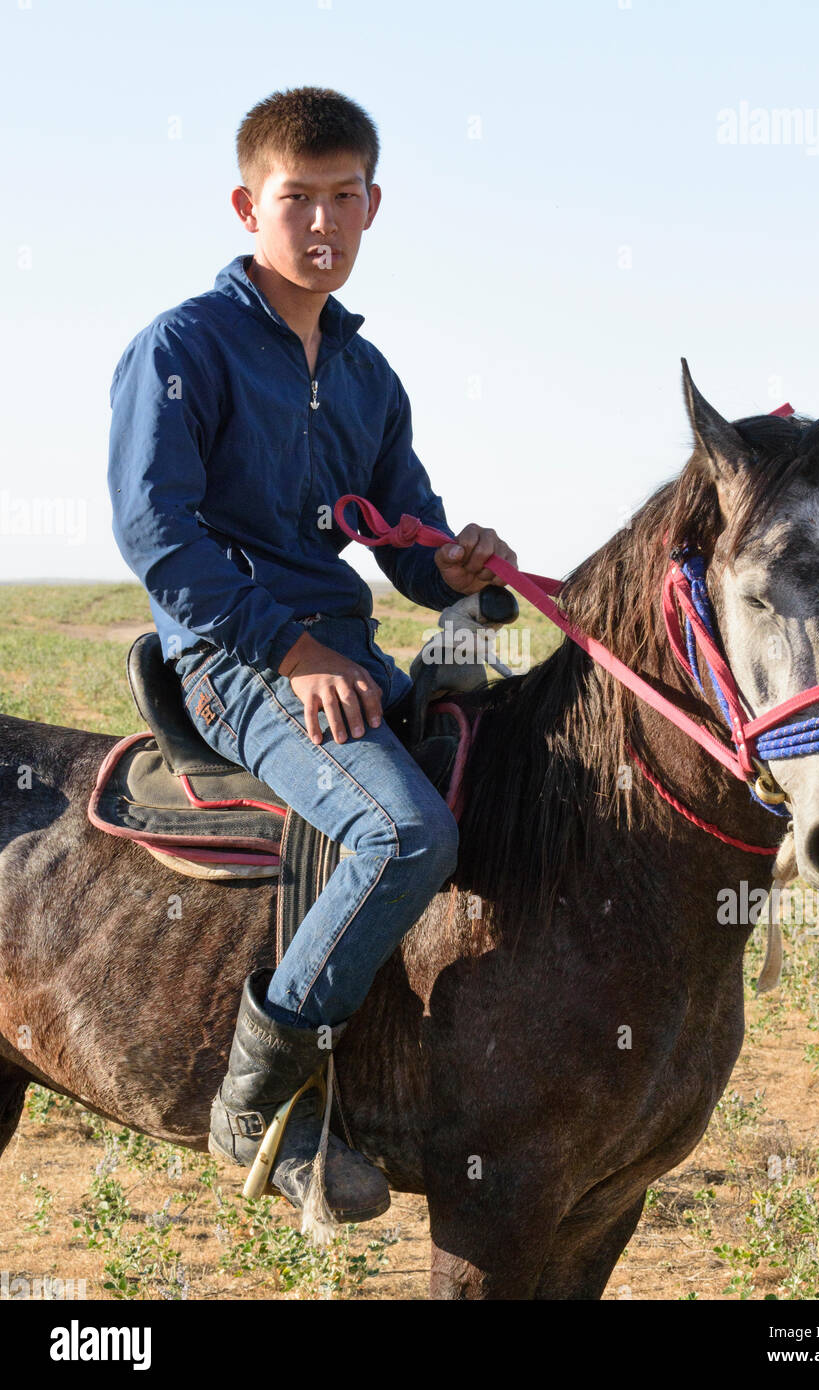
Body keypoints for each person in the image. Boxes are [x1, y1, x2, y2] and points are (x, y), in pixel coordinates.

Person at [108, 86, 517, 1222]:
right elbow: (156, 537)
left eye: (346, 197)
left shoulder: (366, 378)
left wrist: (462, 566)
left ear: (375, 203)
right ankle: (257, 1093)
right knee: (403, 830)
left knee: (513, 761)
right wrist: (287, 652)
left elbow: (411, 549)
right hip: (237, 661)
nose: (323, 222)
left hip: (344, 647)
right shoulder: (181, 349)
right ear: (249, 204)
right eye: (300, 200)